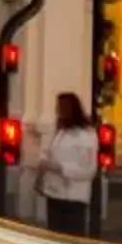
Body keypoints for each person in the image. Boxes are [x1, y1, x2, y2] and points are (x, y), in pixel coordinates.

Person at [37, 91, 99, 236]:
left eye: (60, 107)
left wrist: (62, 168)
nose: (57, 111)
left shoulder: (86, 136)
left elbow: (89, 169)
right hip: (54, 193)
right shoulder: (60, 131)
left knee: (72, 236)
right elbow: (48, 153)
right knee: (54, 235)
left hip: (73, 196)